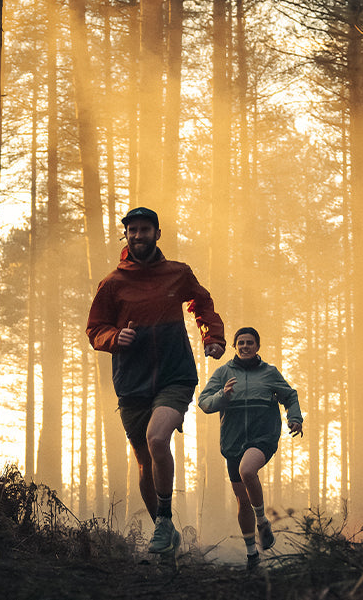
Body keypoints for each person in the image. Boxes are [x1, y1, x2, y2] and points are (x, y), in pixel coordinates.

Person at [86, 206, 226, 555]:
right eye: (131, 230)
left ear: (157, 234)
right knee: (144, 462)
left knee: (157, 438)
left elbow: (202, 303)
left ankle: (163, 521)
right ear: (126, 236)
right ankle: (166, 530)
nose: (137, 235)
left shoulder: (177, 274)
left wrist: (213, 337)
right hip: (131, 383)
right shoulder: (113, 283)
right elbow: (95, 329)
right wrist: (114, 338)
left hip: (174, 375)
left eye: (144, 229)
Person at [198, 326, 303, 570]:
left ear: (257, 346)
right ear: (235, 346)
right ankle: (251, 555)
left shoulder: (269, 372)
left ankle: (262, 521)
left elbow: (290, 395)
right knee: (241, 500)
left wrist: (294, 418)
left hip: (263, 436)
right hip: (233, 441)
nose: (245, 346)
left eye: (250, 343)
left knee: (247, 471)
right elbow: (204, 402)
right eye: (241, 343)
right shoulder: (223, 372)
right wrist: (222, 396)